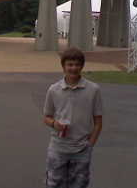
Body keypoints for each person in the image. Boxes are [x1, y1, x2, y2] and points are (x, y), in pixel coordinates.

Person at [43, 47, 103, 188]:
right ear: (63, 66)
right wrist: (54, 124)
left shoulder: (93, 90)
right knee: (54, 184)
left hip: (82, 149)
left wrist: (90, 145)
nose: (73, 68)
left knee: (79, 184)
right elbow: (46, 117)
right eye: (70, 64)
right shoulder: (54, 90)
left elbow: (98, 122)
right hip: (58, 148)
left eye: (77, 64)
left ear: (82, 66)